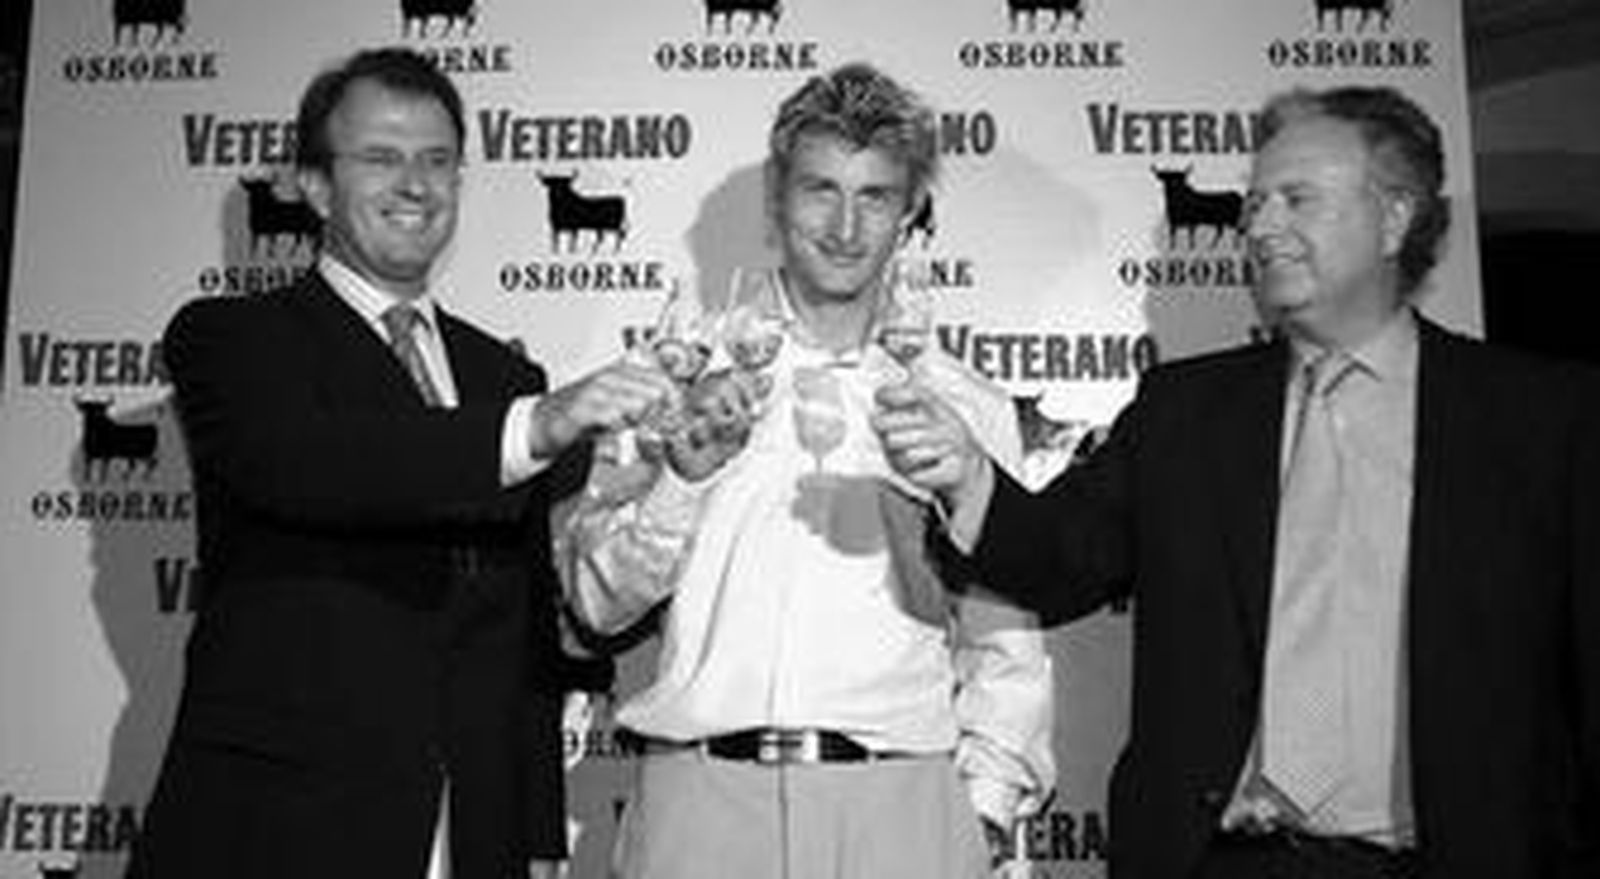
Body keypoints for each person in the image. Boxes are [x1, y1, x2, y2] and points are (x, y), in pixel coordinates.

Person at [875, 84, 1600, 878]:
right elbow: (1056, 561)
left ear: (1396, 218)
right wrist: (969, 476)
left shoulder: (1543, 420)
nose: (1258, 226)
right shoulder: (1183, 413)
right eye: (1254, 203)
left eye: (1296, 199)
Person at [127, 47, 676, 879]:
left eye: (437, 160)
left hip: (468, 830)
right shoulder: (231, 339)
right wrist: (539, 426)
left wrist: (534, 831)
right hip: (278, 826)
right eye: (381, 158)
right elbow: (317, 464)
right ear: (315, 186)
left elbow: (524, 627)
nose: (415, 185)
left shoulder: (503, 376)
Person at [557, 63, 1054, 879]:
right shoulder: (677, 376)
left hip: (902, 815)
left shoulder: (964, 406)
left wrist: (986, 815)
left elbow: (1005, 643)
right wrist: (684, 480)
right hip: (699, 812)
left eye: (876, 196)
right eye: (822, 190)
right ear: (777, 198)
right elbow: (597, 601)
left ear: (910, 211)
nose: (846, 227)